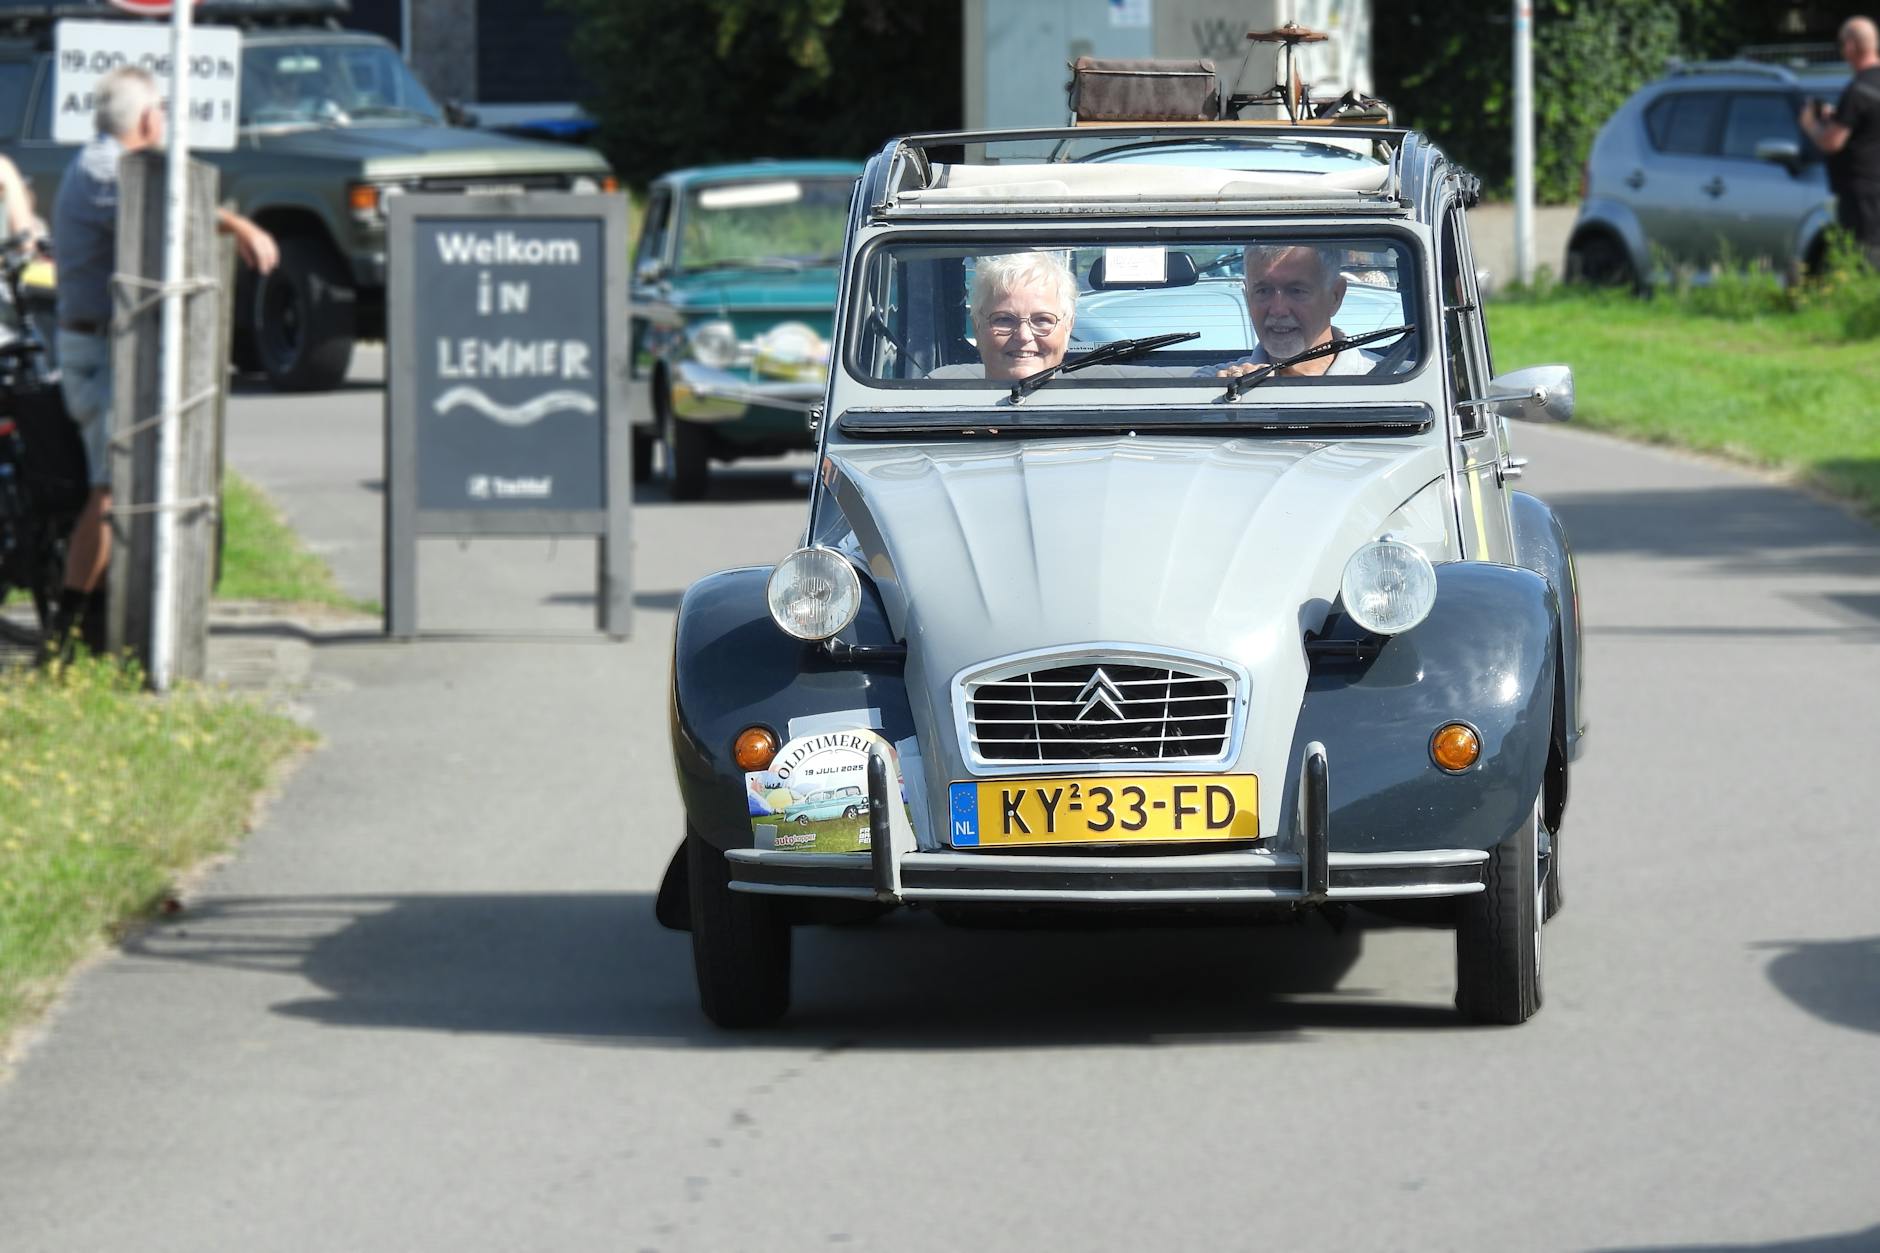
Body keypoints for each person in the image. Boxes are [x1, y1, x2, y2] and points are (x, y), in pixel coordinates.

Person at [48, 66, 279, 657]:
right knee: (110, 489)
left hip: (98, 344)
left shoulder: (101, 162)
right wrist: (240, 224)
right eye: (162, 111)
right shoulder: (107, 169)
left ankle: (93, 626)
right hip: (101, 352)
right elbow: (167, 207)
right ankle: (66, 633)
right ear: (148, 119)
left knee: (116, 484)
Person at [1205, 243, 1378, 378]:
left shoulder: (1385, 382)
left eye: (1296, 291)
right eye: (1263, 291)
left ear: (1335, 296)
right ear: (1247, 297)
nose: (1278, 309)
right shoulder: (1209, 386)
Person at [1799, 16, 1880, 268]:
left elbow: (1831, 143)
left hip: (1862, 192)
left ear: (1852, 45)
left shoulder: (1857, 91)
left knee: (1864, 257)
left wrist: (1809, 124)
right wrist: (1837, 116)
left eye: (1842, 43)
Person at [967, 250, 1078, 380]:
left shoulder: (1098, 390)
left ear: (1068, 329)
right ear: (977, 328)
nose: (1024, 336)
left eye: (1042, 320)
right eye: (1004, 320)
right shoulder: (946, 390)